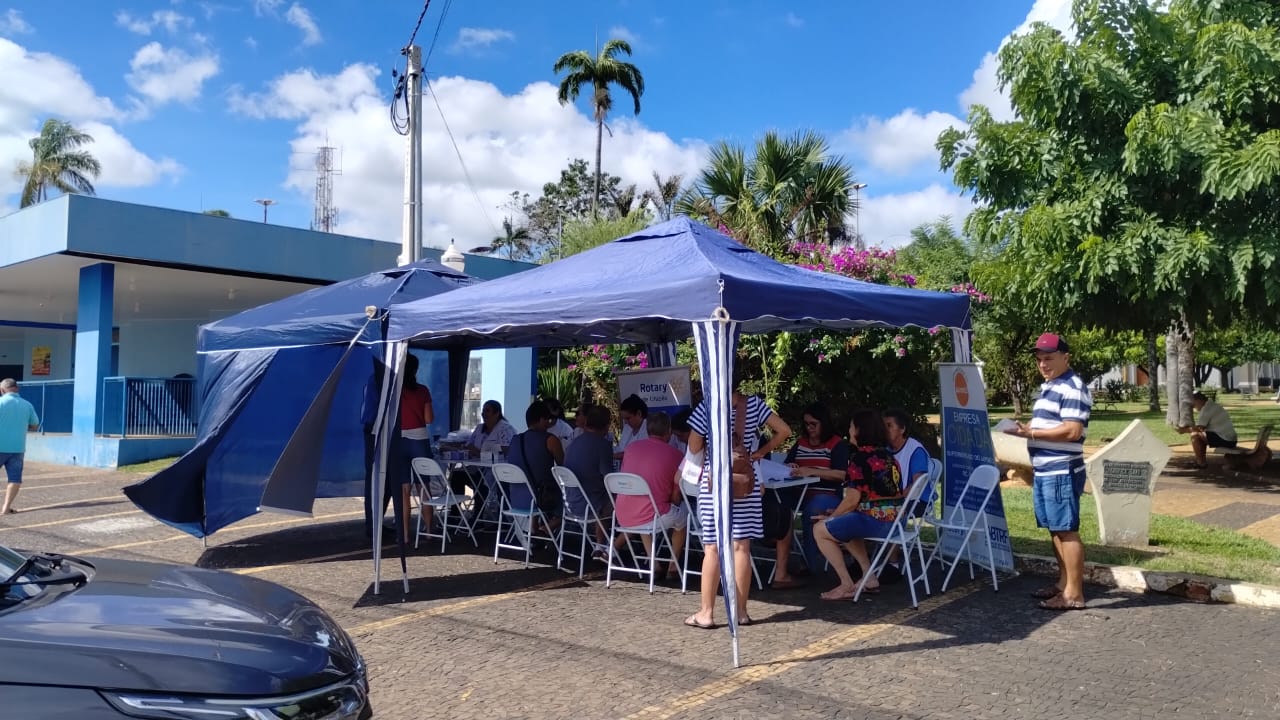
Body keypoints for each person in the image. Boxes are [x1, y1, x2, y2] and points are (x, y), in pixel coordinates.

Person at [683, 370, 792, 630]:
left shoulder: (707, 407)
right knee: (741, 547)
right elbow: (784, 430)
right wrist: (759, 453)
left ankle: (706, 613)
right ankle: (741, 612)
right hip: (746, 480)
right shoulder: (752, 404)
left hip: (716, 482)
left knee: (713, 548)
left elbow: (695, 446)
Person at [1004, 332, 1092, 611]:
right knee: (1055, 529)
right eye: (1040, 359)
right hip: (1045, 469)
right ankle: (1063, 584)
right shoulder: (1049, 386)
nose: (1043, 364)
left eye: (1049, 359)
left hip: (1061, 469)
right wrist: (1023, 433)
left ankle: (1074, 594)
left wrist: (1033, 432)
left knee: (1066, 530)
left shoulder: (1073, 386)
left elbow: (1072, 430)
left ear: (1065, 358)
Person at [811, 409, 903, 600]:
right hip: (895, 523)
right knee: (845, 525)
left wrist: (831, 517)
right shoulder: (889, 457)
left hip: (874, 522)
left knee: (820, 530)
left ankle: (846, 584)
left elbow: (852, 500)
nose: (849, 431)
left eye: (852, 427)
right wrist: (837, 515)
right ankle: (869, 577)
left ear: (860, 430)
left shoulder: (859, 459)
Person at [769, 402, 849, 589]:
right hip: (798, 491)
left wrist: (812, 471)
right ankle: (778, 557)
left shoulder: (836, 444)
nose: (809, 428)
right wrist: (791, 468)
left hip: (826, 493)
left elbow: (842, 474)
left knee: (811, 512)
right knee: (778, 506)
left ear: (824, 423)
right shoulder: (801, 443)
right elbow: (787, 464)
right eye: (806, 424)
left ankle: (810, 564)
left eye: (814, 424)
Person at [616, 412, 688, 579]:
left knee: (645, 508)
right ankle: (673, 566)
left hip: (623, 515)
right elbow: (676, 494)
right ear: (668, 432)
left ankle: (653, 563)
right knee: (682, 519)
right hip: (652, 515)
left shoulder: (631, 448)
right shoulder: (676, 455)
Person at [394, 354, 434, 541]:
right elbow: (428, 419)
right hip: (420, 439)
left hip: (400, 441)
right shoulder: (423, 391)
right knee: (424, 487)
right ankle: (428, 530)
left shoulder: (395, 390)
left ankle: (404, 535)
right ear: (416, 370)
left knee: (404, 491)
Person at [505, 400, 565, 523]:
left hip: (516, 498)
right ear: (542, 420)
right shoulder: (550, 440)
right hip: (543, 499)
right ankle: (549, 528)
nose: (549, 423)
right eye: (548, 419)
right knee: (571, 496)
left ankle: (535, 528)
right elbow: (563, 466)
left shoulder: (515, 440)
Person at [563, 403, 614, 546]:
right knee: (619, 498)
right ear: (606, 425)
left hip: (569, 502)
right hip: (590, 504)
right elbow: (608, 478)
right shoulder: (602, 445)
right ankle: (602, 544)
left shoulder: (573, 443)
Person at [0, 379, 40, 515]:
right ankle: (6, 508)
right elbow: (35, 425)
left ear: (2, 390)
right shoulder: (27, 405)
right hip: (17, 448)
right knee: (14, 479)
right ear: (17, 389)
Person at [1177, 391, 1237, 469]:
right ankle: (1201, 461)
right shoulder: (1212, 405)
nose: (1194, 407)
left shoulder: (1206, 409)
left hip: (1225, 440)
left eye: (1194, 405)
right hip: (1230, 439)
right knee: (1200, 435)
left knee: (1195, 435)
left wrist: (1184, 430)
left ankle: (1201, 463)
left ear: (1198, 400)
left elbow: (1199, 429)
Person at [614, 394, 649, 459]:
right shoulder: (627, 427)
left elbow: (642, 453)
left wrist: (617, 456)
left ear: (639, 413)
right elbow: (620, 448)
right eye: (624, 419)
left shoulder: (649, 429)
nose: (626, 422)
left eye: (628, 418)